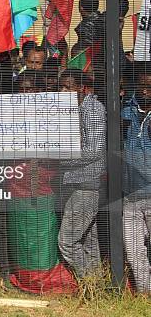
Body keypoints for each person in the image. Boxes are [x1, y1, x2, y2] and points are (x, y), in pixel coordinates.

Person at [58, 69, 106, 278]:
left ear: (82, 88)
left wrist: (61, 158)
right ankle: (96, 286)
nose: (63, 90)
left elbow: (95, 150)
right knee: (88, 239)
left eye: (68, 87)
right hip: (77, 181)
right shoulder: (72, 108)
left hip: (87, 182)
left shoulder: (92, 110)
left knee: (67, 241)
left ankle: (89, 281)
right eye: (62, 86)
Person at [122, 61, 151, 293]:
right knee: (134, 251)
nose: (145, 91)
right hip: (130, 197)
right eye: (142, 86)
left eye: (150, 87)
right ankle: (144, 293)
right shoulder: (126, 111)